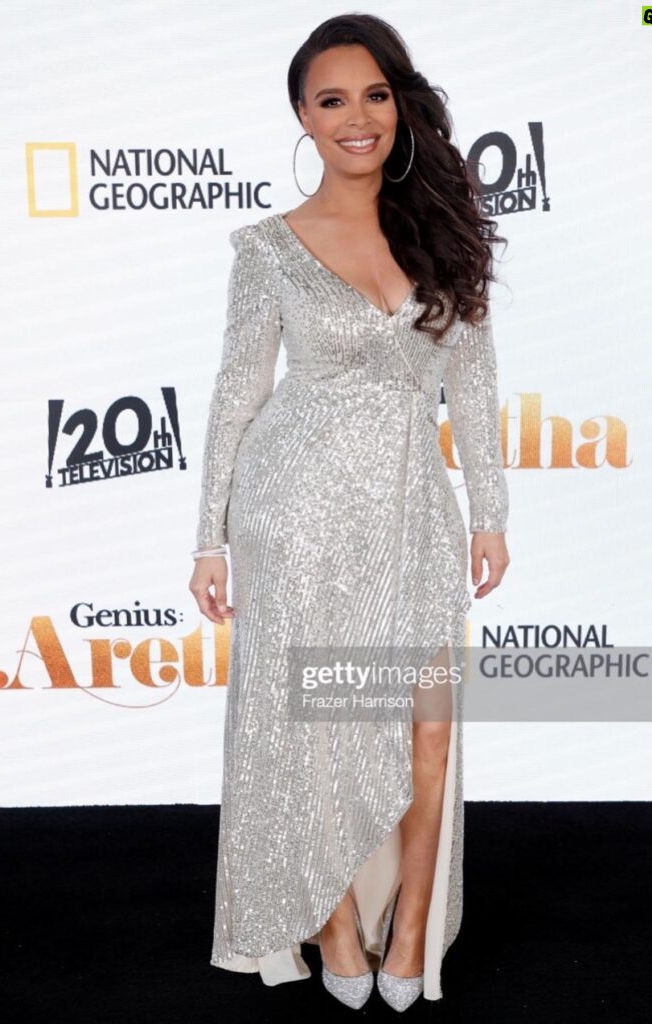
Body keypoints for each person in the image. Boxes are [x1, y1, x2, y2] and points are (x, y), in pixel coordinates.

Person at [189, 13, 510, 1012]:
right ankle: (332, 923)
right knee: (311, 724)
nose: (356, 118)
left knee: (425, 725)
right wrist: (209, 535)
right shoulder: (268, 249)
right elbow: (237, 392)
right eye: (332, 100)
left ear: (399, 105)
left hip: (413, 507)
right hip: (294, 510)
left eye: (374, 95)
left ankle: (409, 927)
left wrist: (489, 513)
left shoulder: (443, 230)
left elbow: (478, 387)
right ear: (302, 115)